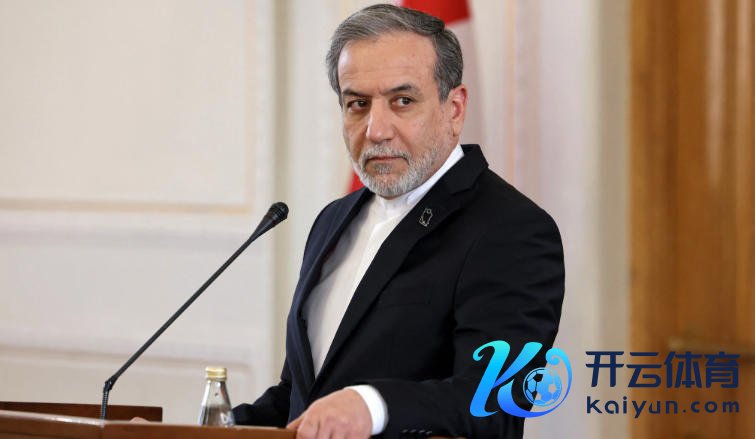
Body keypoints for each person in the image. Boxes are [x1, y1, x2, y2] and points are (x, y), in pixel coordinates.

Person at [233, 4, 564, 438]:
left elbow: (496, 401)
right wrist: (211, 429)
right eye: (358, 104)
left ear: (455, 109)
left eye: (402, 101)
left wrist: (372, 405)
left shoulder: (511, 229)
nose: (376, 129)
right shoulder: (333, 220)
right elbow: (301, 395)